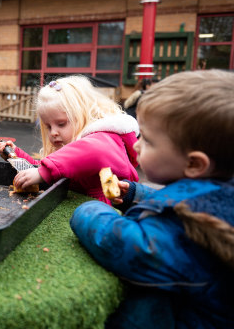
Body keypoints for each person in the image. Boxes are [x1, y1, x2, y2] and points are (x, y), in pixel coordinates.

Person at [70, 69, 234, 328]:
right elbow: (186, 200)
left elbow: (131, 249)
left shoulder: (182, 229)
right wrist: (136, 194)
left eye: (147, 139)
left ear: (194, 163)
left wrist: (87, 211)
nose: (135, 145)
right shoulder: (221, 190)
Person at [0, 75, 139, 204]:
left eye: (61, 124)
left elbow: (93, 151)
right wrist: (16, 155)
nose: (53, 133)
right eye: (48, 127)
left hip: (105, 207)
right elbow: (51, 168)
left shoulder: (104, 137)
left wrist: (42, 172)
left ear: (82, 114)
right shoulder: (67, 155)